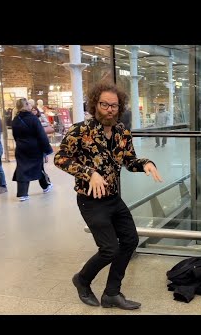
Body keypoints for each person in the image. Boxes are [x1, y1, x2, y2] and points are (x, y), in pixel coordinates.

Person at [54, 81, 163, 310]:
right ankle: (82, 280)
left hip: (114, 198)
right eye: (105, 105)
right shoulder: (80, 131)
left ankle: (112, 293)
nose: (110, 110)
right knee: (109, 249)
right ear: (95, 105)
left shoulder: (122, 131)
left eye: (114, 105)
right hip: (90, 201)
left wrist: (146, 164)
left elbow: (129, 160)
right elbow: (60, 158)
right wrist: (88, 173)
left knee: (130, 241)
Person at [12, 98, 53, 201]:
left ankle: (23, 193)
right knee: (38, 167)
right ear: (26, 106)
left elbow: (15, 135)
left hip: (21, 147)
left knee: (22, 169)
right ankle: (46, 186)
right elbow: (41, 135)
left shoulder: (15, 120)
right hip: (34, 147)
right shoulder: (33, 119)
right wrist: (47, 150)